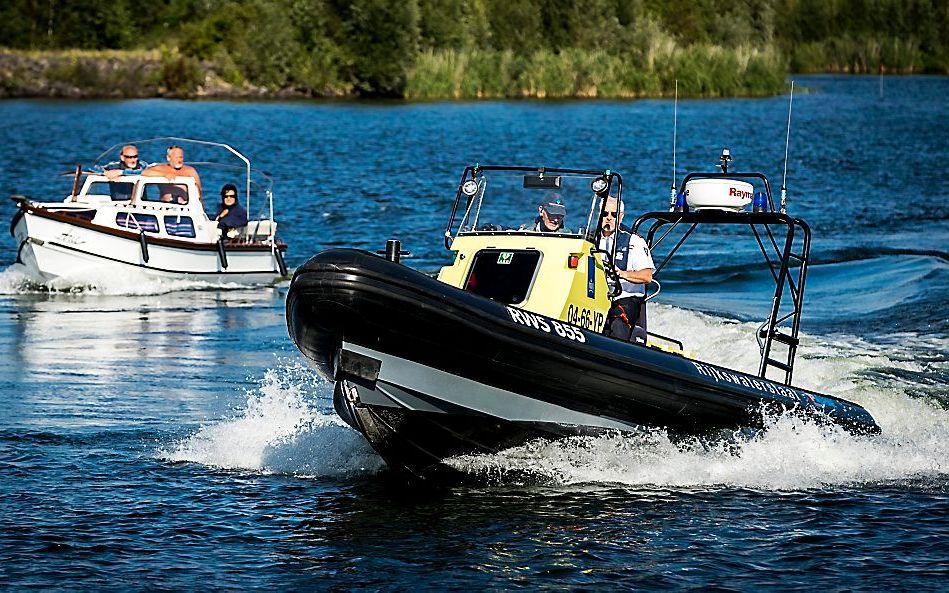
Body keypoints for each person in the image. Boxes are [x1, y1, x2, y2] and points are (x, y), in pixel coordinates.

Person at [599, 195, 655, 344]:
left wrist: (621, 274)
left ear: (621, 217)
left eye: (614, 214)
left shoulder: (634, 241)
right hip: (596, 297)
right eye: (605, 214)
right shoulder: (590, 238)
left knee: (618, 323)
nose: (609, 218)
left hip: (624, 298)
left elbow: (647, 276)